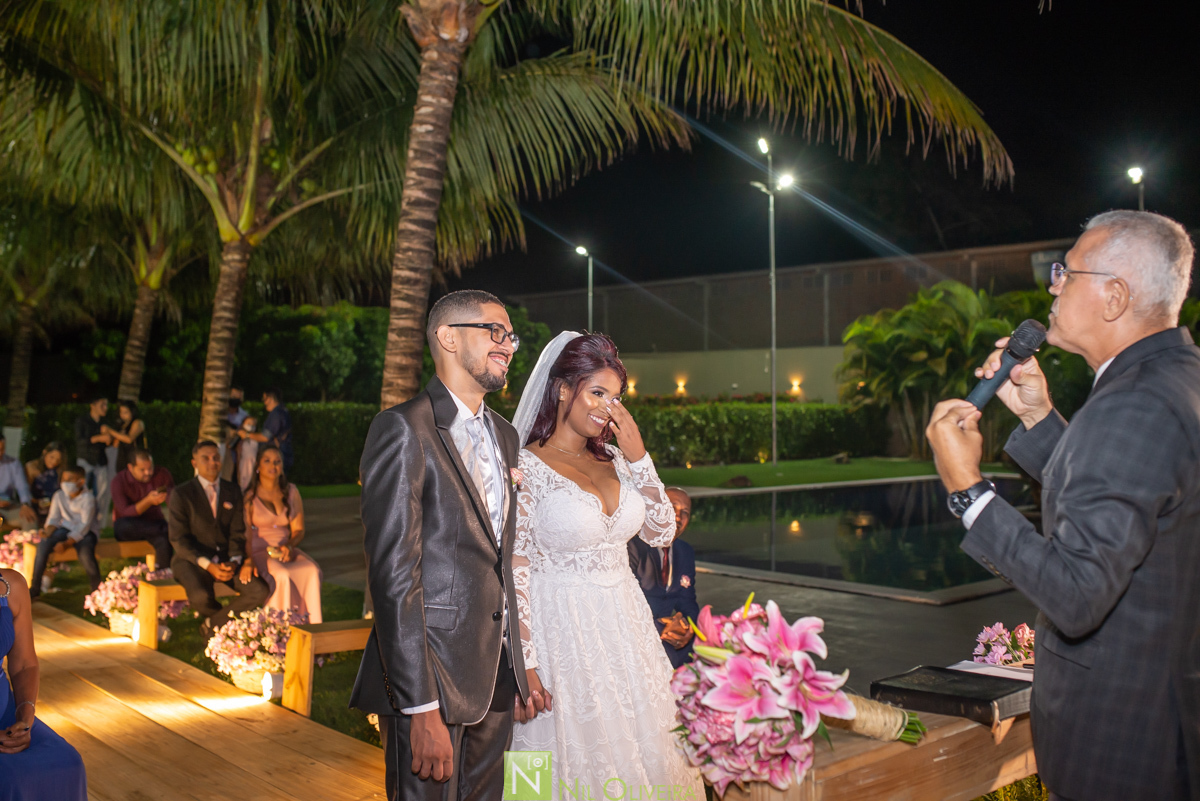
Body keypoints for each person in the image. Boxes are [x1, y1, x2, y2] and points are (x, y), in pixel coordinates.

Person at [925, 211, 1200, 801]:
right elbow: (1125, 497)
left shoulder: (1132, 405)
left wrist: (967, 488)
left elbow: (1076, 595)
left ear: (1114, 296)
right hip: (1162, 725)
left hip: (1121, 752)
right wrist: (1037, 417)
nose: (1052, 285)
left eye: (1066, 272)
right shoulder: (1177, 383)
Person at [350, 290, 540, 801]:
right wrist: (420, 708)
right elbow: (394, 579)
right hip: (429, 677)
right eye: (493, 332)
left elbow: (499, 560)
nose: (508, 346)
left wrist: (519, 668)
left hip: (495, 674)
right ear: (448, 338)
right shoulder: (402, 429)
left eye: (511, 336)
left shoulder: (505, 436)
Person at [510, 332, 703, 796]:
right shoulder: (523, 466)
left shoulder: (618, 459)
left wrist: (639, 458)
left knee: (647, 752)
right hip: (560, 632)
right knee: (555, 758)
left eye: (615, 398)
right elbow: (513, 567)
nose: (607, 409)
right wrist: (524, 664)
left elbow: (660, 532)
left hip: (627, 630)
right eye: (597, 393)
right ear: (562, 389)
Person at [0, 567, 88, 799]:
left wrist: (25, 719)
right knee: (10, 777)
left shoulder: (11, 586)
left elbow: (24, 664)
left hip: (5, 712)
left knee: (67, 762)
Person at [167, 440, 270, 637]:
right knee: (200, 596)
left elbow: (237, 532)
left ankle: (212, 625)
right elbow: (179, 540)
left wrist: (233, 561)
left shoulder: (232, 491)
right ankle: (227, 631)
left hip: (226, 560)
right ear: (194, 462)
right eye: (205, 458)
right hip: (191, 560)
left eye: (216, 458)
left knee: (258, 590)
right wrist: (208, 565)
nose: (212, 462)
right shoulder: (182, 494)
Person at [245, 445, 322, 623]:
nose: (273, 465)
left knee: (312, 570)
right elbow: (246, 535)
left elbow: (298, 530)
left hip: (286, 548)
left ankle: (311, 628)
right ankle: (278, 629)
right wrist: (248, 559)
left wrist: (289, 545)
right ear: (258, 466)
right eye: (267, 461)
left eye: (277, 461)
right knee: (282, 575)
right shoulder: (249, 497)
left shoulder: (291, 492)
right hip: (259, 551)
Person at [628, 486, 700, 669]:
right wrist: (662, 628)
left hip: (673, 636)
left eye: (685, 513)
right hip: (636, 635)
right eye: (672, 508)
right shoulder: (632, 547)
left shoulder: (685, 552)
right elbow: (627, 607)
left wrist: (686, 626)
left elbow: (688, 601)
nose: (678, 517)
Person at [28, 466, 100, 598]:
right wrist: (47, 532)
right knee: (43, 545)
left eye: (70, 479)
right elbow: (54, 519)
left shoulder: (88, 499)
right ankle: (35, 588)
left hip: (86, 533)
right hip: (65, 528)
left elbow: (84, 526)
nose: (65, 482)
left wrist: (66, 544)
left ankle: (97, 592)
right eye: (64, 479)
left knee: (86, 555)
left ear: (81, 482)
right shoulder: (59, 495)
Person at [111, 449, 174, 570]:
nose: (148, 473)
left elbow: (173, 501)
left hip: (154, 523)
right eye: (142, 470)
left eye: (150, 468)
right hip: (129, 525)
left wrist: (168, 496)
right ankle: (166, 529)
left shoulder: (161, 474)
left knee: (163, 540)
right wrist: (148, 501)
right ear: (130, 467)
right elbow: (125, 512)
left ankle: (163, 576)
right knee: (163, 531)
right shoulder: (118, 481)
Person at [73, 397, 112, 527]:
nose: (105, 408)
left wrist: (108, 439)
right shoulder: (82, 421)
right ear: (93, 405)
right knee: (80, 489)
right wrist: (97, 438)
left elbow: (108, 442)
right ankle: (78, 518)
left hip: (100, 461)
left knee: (101, 492)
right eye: (102, 405)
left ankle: (97, 521)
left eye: (106, 405)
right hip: (85, 460)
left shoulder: (104, 423)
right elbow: (79, 441)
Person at [238, 388, 292, 470]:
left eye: (264, 399)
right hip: (281, 454)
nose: (264, 402)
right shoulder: (282, 411)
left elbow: (265, 437)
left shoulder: (276, 414)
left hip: (276, 455)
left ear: (270, 399)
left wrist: (246, 434)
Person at [0, 433, 36, 530]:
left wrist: (25, 504)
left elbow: (22, 486)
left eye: (2, 449)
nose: (0, 453)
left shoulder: (13, 463)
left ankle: (29, 544)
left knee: (30, 518)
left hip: (8, 506)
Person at [24, 442, 64, 523]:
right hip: (35, 505)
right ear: (45, 452)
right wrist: (37, 502)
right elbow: (25, 492)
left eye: (58, 459)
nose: (54, 462)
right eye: (51, 457)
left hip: (55, 508)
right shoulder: (32, 467)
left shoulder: (60, 471)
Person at [105, 400, 147, 473]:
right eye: (121, 412)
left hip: (134, 460)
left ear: (132, 412)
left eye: (125, 412)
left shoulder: (138, 422)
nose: (122, 415)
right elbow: (115, 444)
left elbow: (129, 439)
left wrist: (110, 430)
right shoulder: (122, 425)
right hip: (121, 459)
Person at [236, 416, 259, 491]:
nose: (251, 426)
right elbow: (238, 455)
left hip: (254, 463)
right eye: (248, 423)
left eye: (253, 425)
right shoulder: (240, 440)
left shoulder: (257, 438)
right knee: (244, 483)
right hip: (244, 464)